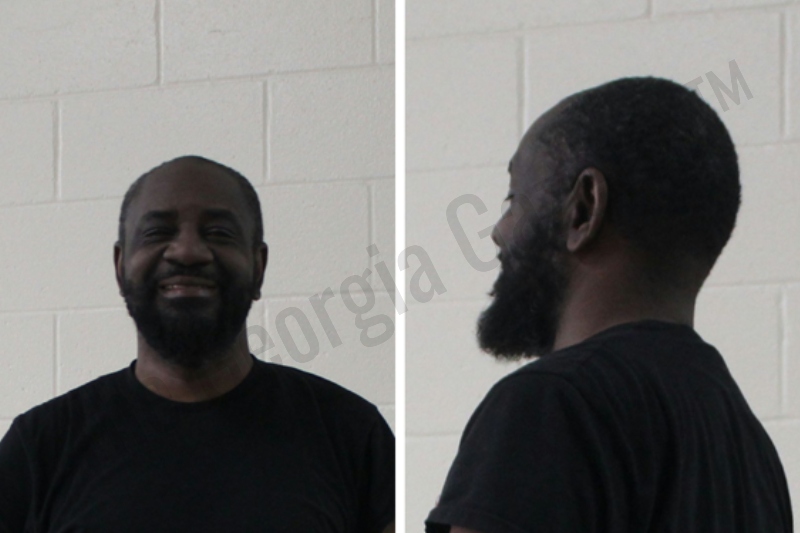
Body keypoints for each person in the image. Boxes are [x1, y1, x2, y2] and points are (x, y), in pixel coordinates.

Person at [425, 77, 792, 532]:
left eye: (514, 199)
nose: (499, 231)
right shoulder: (750, 450)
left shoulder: (551, 405)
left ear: (583, 208)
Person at [0, 156, 395, 533]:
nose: (187, 251)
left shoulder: (351, 435)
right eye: (157, 233)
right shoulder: (39, 450)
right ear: (120, 267)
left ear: (259, 268)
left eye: (219, 233)